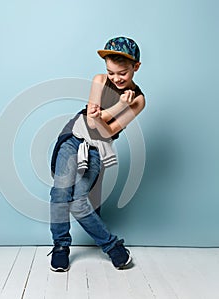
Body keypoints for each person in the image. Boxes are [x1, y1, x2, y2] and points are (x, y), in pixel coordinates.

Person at [48, 37, 145, 272]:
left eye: (122, 73)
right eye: (111, 72)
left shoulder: (139, 100)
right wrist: (115, 108)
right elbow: (90, 121)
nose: (116, 78)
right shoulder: (99, 80)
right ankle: (61, 247)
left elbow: (106, 130)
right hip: (74, 136)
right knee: (61, 191)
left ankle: (111, 245)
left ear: (136, 67)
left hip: (98, 147)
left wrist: (114, 110)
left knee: (80, 202)